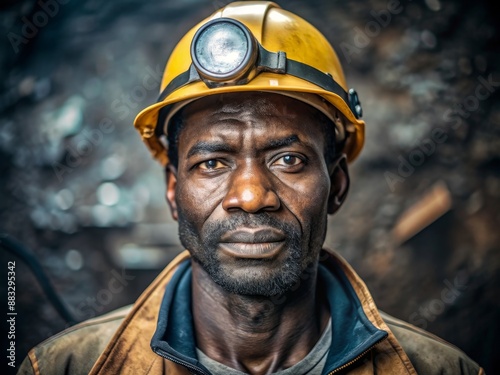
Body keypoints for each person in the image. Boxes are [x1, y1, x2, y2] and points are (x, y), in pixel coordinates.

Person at [18, 2, 483, 374]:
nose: (251, 196)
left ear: (337, 184)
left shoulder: (440, 370)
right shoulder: (65, 367)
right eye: (213, 162)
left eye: (288, 159)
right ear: (173, 191)